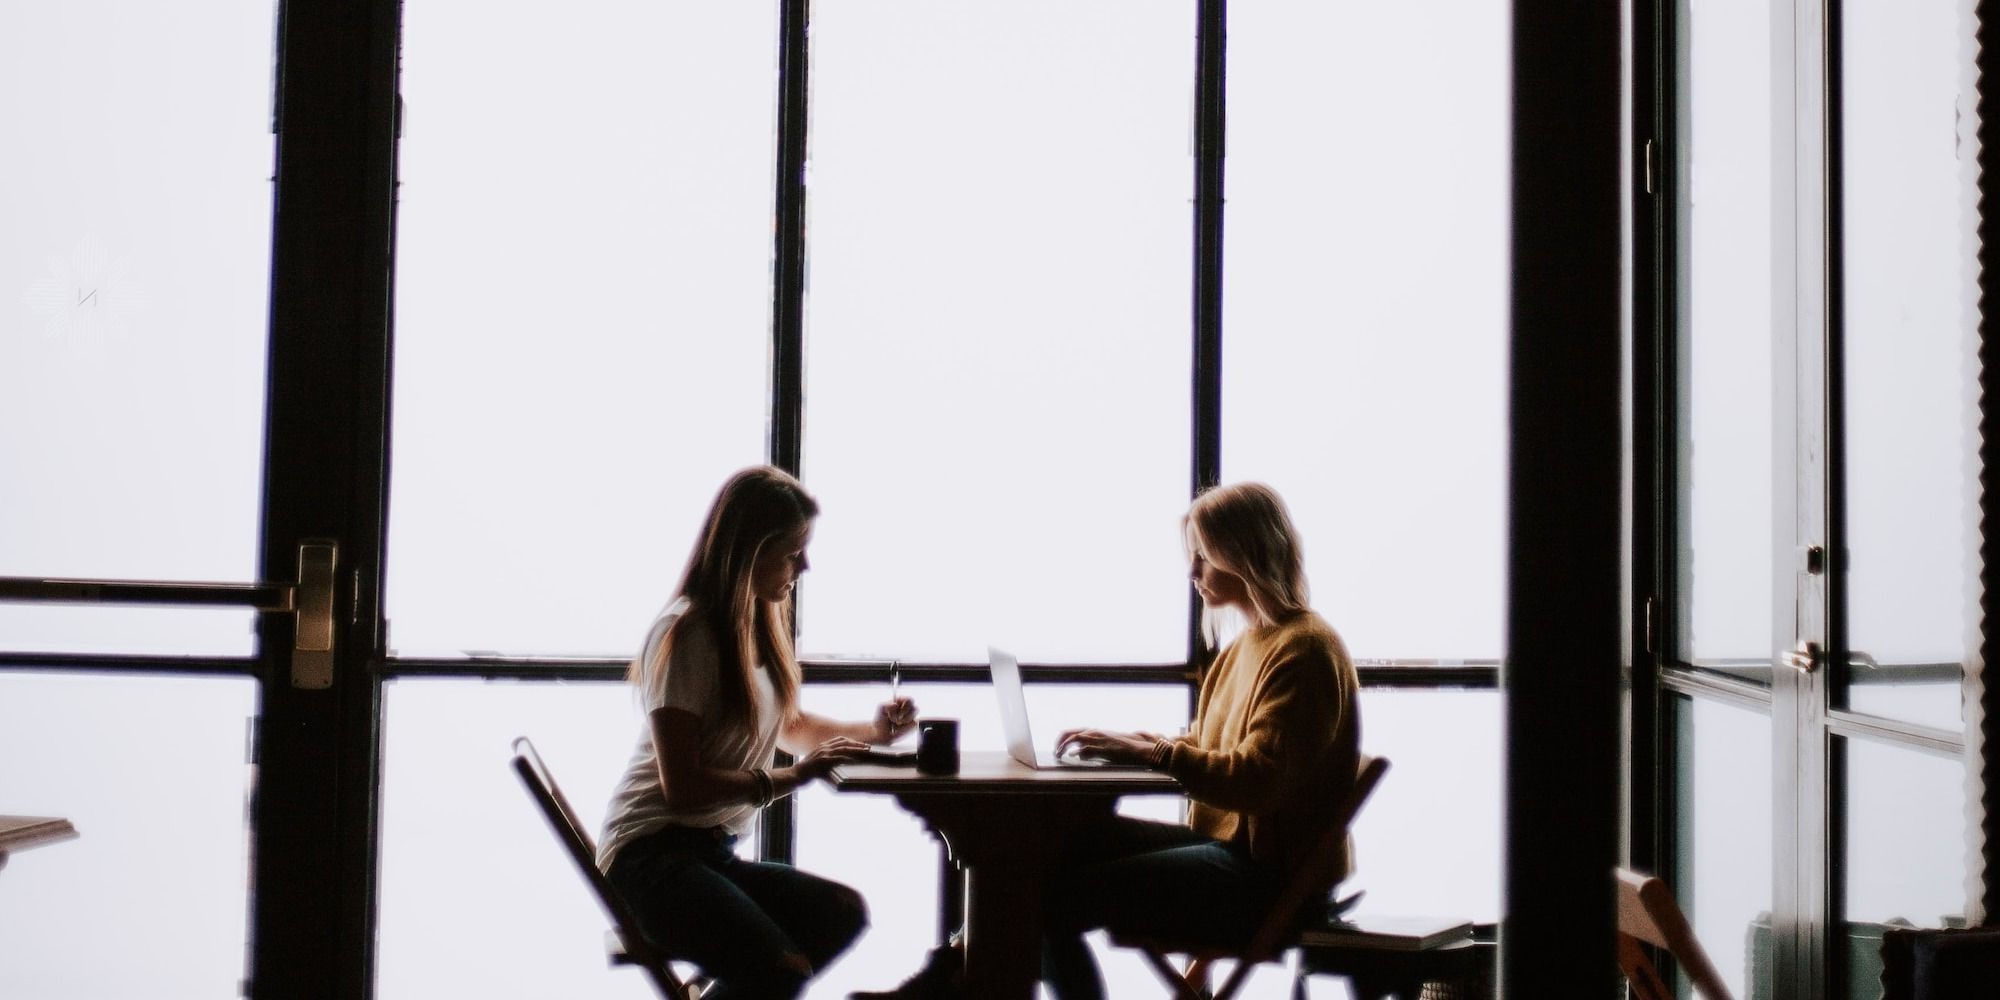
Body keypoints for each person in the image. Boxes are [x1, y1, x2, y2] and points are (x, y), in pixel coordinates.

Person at [596, 465, 917, 1000]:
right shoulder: (689, 633)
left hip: (708, 854)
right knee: (782, 968)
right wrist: (792, 779)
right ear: (750, 551)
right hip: (649, 862)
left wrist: (876, 732)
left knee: (840, 915)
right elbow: (683, 786)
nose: (805, 565)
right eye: (793, 552)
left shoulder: (753, 624)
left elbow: (788, 726)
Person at [1038, 481, 1363, 1000]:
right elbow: (1208, 741)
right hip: (1238, 855)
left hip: (1270, 881)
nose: (1192, 573)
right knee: (1055, 847)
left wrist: (1158, 754)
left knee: (1046, 896)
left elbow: (1258, 781)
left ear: (1245, 555)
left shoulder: (1304, 651)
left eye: (1203, 557)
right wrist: (1131, 742)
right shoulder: (1250, 644)